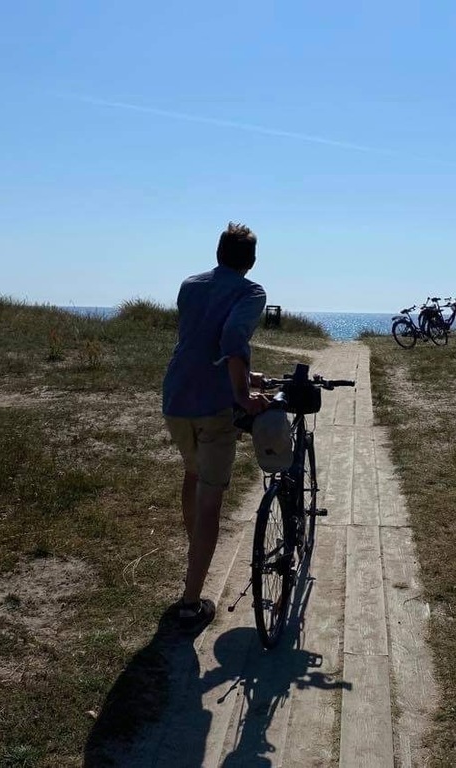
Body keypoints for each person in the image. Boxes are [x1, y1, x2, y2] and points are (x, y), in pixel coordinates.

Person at [161, 222, 269, 634]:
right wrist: (242, 393)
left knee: (192, 474)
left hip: (176, 398)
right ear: (251, 261)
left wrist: (246, 374)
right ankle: (191, 602)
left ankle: (196, 551)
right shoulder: (250, 292)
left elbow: (201, 341)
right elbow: (230, 338)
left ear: (219, 252)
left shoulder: (190, 285)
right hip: (212, 408)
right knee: (210, 502)